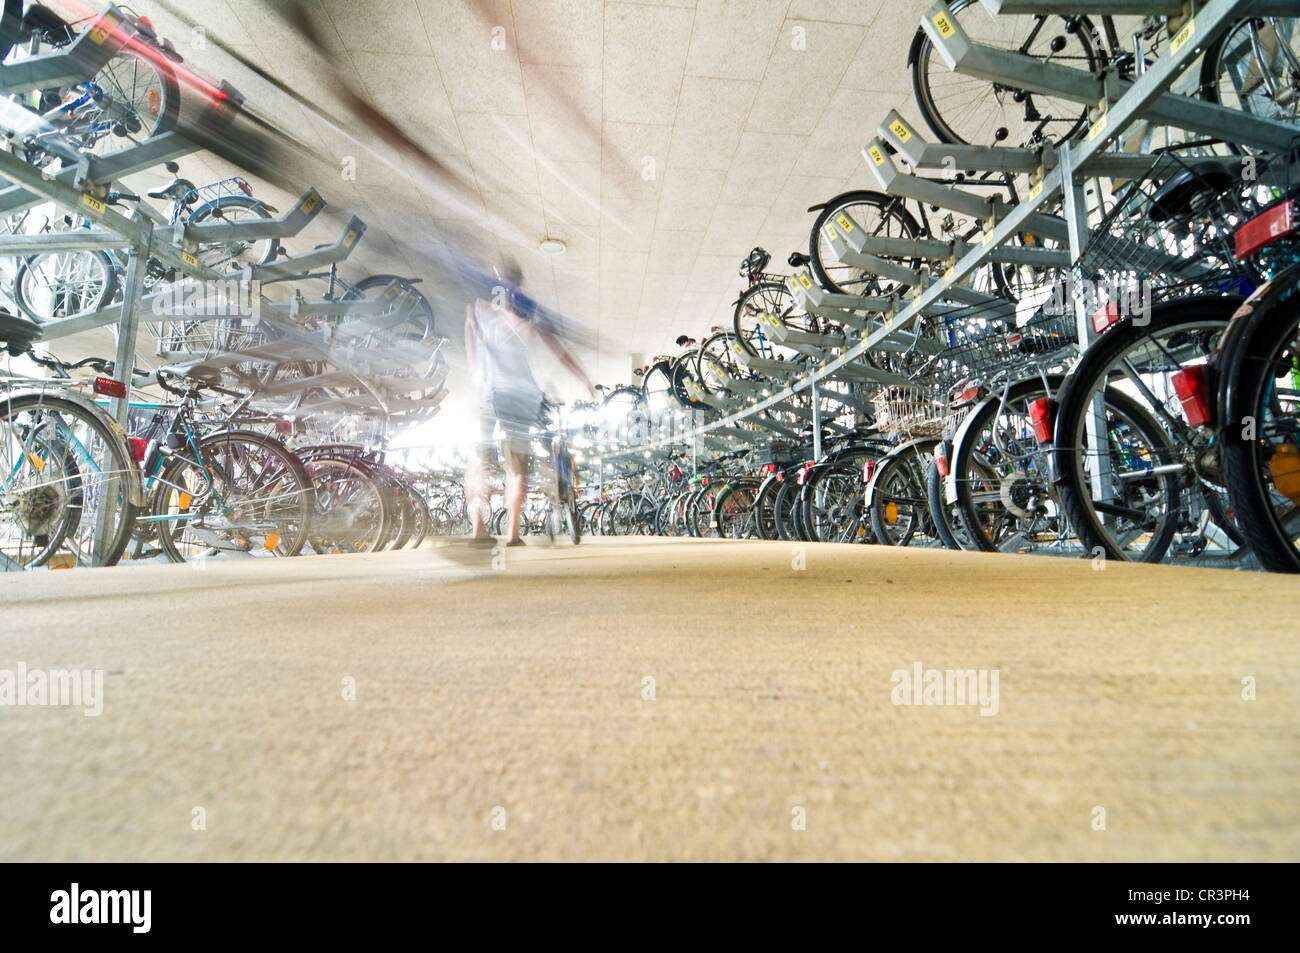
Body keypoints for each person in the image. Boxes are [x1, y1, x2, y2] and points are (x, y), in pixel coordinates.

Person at [464, 258, 594, 546]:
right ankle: (512, 535)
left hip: (487, 392)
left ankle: (478, 528)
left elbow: (470, 336)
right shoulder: (528, 313)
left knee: (480, 461)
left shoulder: (480, 307)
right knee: (517, 467)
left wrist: (477, 372)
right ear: (519, 285)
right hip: (519, 396)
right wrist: (583, 378)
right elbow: (560, 351)